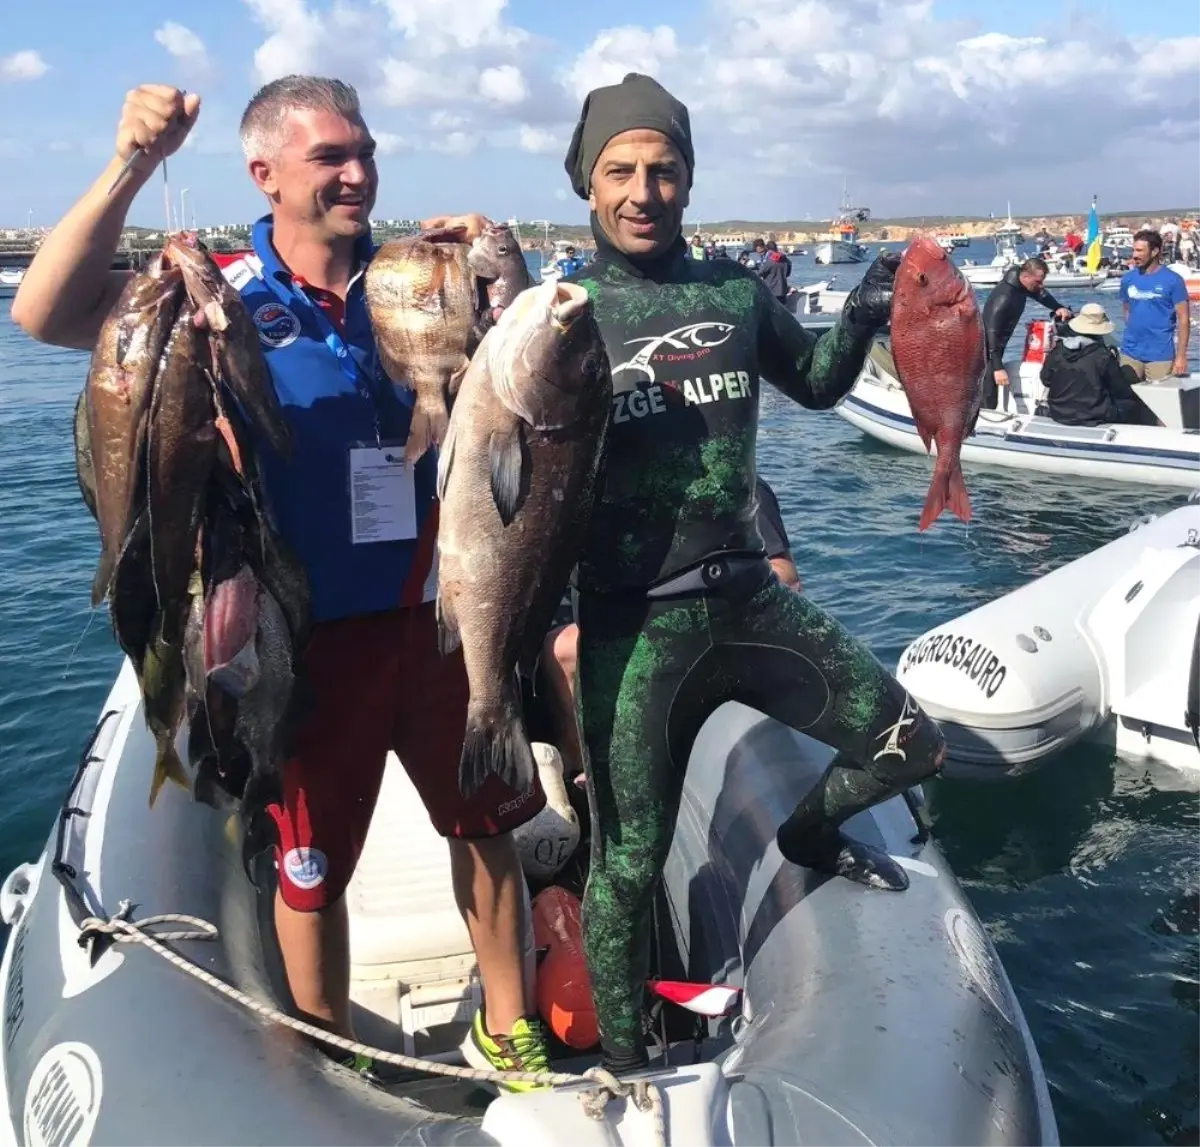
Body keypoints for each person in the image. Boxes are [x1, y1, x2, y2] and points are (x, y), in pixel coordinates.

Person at [12, 78, 553, 1089]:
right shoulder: (216, 295)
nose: (359, 173)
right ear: (263, 174)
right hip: (304, 637)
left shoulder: (414, 279)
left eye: (366, 151)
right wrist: (133, 161)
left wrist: (498, 263)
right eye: (331, 157)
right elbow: (43, 312)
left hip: (441, 617)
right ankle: (321, 1054)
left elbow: (526, 374)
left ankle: (507, 1026)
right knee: (312, 867)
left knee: (485, 827)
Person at [557, 71, 946, 1076]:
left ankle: (810, 836)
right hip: (633, 626)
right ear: (584, 182)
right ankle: (626, 1064)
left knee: (913, 746)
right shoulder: (561, 313)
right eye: (621, 171)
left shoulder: (733, 292)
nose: (644, 190)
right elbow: (509, 470)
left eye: (665, 170)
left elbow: (816, 388)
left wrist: (861, 316)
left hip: (749, 598)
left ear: (689, 181)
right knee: (628, 864)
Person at [529, 475, 803, 788]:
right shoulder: (631, 488)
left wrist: (713, 596)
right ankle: (576, 772)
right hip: (640, 619)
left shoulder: (744, 485)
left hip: (704, 628)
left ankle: (586, 776)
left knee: (564, 650)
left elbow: (785, 574)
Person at [1040, 303, 1161, 427]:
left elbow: (1045, 379)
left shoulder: (1058, 350)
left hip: (1059, 413)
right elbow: (1120, 390)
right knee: (1133, 404)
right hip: (1093, 415)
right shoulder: (1102, 355)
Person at [981, 257, 1072, 409]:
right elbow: (990, 333)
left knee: (991, 385)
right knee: (989, 388)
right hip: (986, 348)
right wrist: (997, 367)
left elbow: (1040, 294)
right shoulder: (1004, 298)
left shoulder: (1022, 283)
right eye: (1037, 281)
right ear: (1025, 277)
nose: (1041, 285)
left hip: (997, 346)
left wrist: (1057, 307)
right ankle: (983, 419)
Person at [1119, 229, 1190, 381]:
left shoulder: (1173, 280)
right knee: (1127, 401)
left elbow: (1183, 319)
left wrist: (1181, 356)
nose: (1134, 255)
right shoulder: (1127, 279)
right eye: (1133, 250)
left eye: (1139, 250)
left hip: (1160, 356)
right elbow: (1126, 311)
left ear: (1154, 251)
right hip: (1129, 353)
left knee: (1159, 403)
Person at [756, 239, 792, 306]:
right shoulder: (786, 260)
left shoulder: (770, 261)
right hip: (782, 290)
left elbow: (759, 273)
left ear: (768, 250)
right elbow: (788, 273)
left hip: (771, 291)